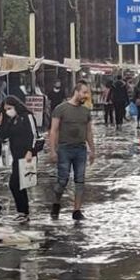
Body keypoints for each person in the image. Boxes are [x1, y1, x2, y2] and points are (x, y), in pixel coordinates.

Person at [49, 82, 96, 221]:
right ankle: (56, 203)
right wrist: (52, 150)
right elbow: (53, 130)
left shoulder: (86, 111)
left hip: (80, 149)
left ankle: (77, 211)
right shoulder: (60, 109)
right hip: (64, 149)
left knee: (80, 180)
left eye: (87, 93)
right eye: (84, 92)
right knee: (62, 181)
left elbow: (88, 132)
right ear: (76, 91)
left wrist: (92, 150)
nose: (86, 96)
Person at [0, 96, 38, 222]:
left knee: (16, 183)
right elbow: (3, 137)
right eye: (6, 110)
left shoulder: (27, 116)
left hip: (26, 156)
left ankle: (23, 212)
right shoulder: (11, 120)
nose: (8, 111)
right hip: (16, 156)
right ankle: (22, 212)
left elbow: (34, 135)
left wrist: (30, 150)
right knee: (18, 184)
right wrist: (0, 123)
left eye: (9, 108)